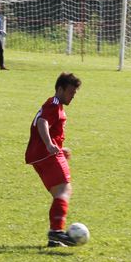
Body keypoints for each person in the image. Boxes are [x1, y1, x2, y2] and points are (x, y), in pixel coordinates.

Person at [25, 72, 81, 246]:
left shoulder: (55, 104)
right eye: (70, 92)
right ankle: (56, 232)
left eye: (74, 93)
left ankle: (54, 237)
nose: (72, 96)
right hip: (46, 154)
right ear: (60, 89)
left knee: (60, 193)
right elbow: (42, 122)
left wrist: (57, 145)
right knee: (64, 190)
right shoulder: (54, 104)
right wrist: (49, 144)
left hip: (41, 154)